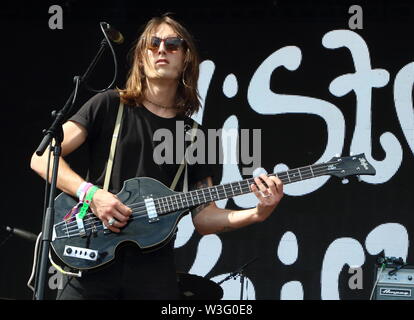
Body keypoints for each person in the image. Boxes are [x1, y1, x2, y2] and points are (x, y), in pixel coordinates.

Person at [30, 14, 284, 300]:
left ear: (186, 58)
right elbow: (41, 157)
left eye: (173, 44)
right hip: (94, 258)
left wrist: (258, 212)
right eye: (153, 43)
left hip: (153, 272)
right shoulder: (109, 104)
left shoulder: (195, 135)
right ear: (141, 57)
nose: (161, 49)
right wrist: (92, 195)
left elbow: (204, 218)